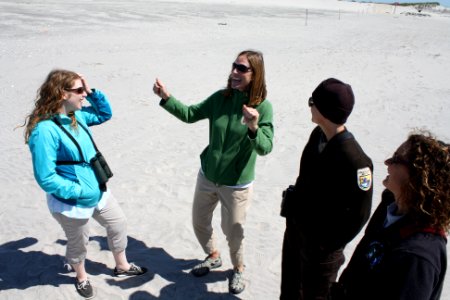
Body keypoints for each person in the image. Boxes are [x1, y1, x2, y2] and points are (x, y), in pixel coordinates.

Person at [152, 50, 274, 294]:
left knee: (234, 231)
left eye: (242, 69)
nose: (234, 72)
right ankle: (213, 255)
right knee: (199, 222)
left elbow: (265, 147)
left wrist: (252, 126)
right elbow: (190, 114)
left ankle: (238, 268)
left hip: (236, 184)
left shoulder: (263, 108)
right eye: (234, 66)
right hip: (208, 176)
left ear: (255, 74)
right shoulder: (220, 98)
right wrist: (166, 97)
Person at [22, 69, 147, 299]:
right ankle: (81, 276)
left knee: (118, 223)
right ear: (61, 94)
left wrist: (92, 92)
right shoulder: (45, 131)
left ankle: (122, 266)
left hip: (98, 189)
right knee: (79, 244)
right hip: (72, 202)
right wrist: (78, 191)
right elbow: (46, 178)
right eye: (79, 91)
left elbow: (104, 114)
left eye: (84, 90)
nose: (84, 96)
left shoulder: (77, 115)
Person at [280, 78, 373, 300]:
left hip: (320, 250)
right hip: (297, 233)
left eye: (312, 101)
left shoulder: (356, 161)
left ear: (325, 110)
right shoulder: (319, 135)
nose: (309, 106)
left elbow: (360, 215)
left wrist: (326, 245)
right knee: (290, 290)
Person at [333, 133, 450, 300]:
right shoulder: (391, 206)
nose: (387, 163)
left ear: (417, 177)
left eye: (397, 159)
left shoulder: (417, 258)